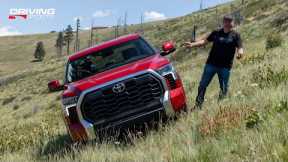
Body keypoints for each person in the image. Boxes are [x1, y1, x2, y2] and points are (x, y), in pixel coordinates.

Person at [183, 15, 244, 109]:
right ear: (223, 22)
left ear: (233, 23)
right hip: (211, 64)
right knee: (202, 85)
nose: (228, 23)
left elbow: (240, 47)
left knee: (224, 88)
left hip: (225, 67)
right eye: (226, 21)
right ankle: (198, 105)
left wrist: (240, 53)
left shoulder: (236, 35)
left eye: (230, 21)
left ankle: (221, 107)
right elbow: (204, 42)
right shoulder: (216, 33)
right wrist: (192, 45)